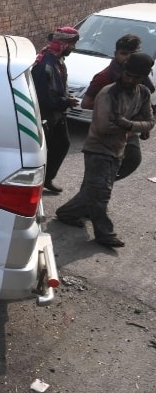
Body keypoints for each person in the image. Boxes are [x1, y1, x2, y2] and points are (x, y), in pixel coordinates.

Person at [55, 52, 155, 248]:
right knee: (101, 194)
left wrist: (128, 125)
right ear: (123, 72)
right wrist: (136, 125)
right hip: (98, 149)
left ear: (143, 78)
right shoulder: (109, 93)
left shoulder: (142, 93)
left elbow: (150, 122)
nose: (130, 80)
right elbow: (103, 127)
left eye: (136, 77)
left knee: (96, 190)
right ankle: (105, 234)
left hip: (119, 148)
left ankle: (67, 213)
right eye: (128, 75)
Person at [80, 34, 155, 180]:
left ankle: (106, 182)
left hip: (129, 129)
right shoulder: (105, 78)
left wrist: (140, 125)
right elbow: (86, 103)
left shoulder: (140, 74)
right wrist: (112, 109)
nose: (128, 58)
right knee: (98, 178)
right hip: (109, 132)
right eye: (124, 53)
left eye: (133, 54)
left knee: (132, 160)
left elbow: (144, 101)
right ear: (116, 54)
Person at [31, 26, 80, 193]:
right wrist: (66, 101)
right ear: (65, 44)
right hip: (47, 115)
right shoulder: (45, 64)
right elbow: (44, 98)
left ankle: (47, 178)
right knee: (43, 150)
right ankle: (35, 183)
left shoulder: (57, 60)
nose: (73, 48)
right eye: (72, 44)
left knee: (62, 144)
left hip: (57, 114)